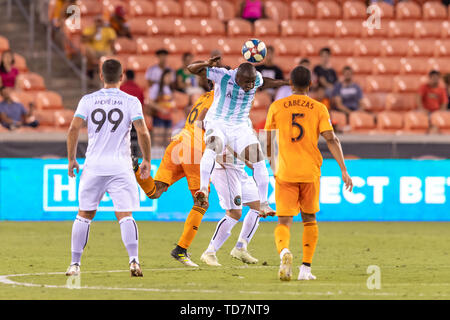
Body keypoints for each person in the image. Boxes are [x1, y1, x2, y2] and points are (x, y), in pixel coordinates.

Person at [264, 66, 353, 281]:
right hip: (310, 171)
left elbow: (268, 142)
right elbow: (331, 138)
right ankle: (305, 269)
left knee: (283, 222)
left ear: (290, 84)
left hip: (284, 171)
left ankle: (284, 252)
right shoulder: (319, 108)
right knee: (310, 219)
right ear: (310, 84)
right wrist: (343, 169)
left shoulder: (276, 107)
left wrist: (272, 166)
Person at [65, 59, 152, 277]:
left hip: (93, 165)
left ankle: (75, 264)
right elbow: (142, 132)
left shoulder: (88, 100)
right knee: (125, 215)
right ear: (122, 77)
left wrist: (71, 158)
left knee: (84, 214)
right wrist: (147, 160)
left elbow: (73, 128)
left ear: (101, 76)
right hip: (120, 167)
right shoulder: (131, 101)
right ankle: (134, 261)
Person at [187, 57, 289, 218]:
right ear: (237, 78)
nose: (250, 85)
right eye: (246, 82)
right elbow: (191, 69)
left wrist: (285, 83)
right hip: (218, 121)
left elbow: (265, 82)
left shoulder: (256, 80)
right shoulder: (223, 75)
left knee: (259, 160)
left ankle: (263, 203)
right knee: (214, 147)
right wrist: (207, 63)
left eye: (252, 82)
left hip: (239, 126)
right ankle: (203, 190)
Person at [134, 90, 215, 267]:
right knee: (201, 203)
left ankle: (135, 169)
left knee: (155, 191)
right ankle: (181, 249)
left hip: (179, 140)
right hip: (195, 147)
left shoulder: (204, 96)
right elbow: (203, 121)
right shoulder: (223, 97)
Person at [200, 149, 263, 266]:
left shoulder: (245, 130)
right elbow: (223, 149)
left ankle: (240, 248)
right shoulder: (223, 131)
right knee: (234, 213)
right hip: (225, 170)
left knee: (257, 205)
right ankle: (209, 252)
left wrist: (253, 163)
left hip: (239, 169)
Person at [120, 69, 145, 156]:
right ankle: (134, 156)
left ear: (125, 76)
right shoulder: (139, 89)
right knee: (135, 139)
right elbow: (142, 105)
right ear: (134, 77)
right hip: (135, 119)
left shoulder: (121, 88)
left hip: (122, 119)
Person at [148, 69, 176, 146]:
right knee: (158, 140)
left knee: (168, 141)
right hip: (159, 116)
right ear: (163, 76)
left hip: (168, 116)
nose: (169, 78)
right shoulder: (156, 87)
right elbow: (150, 102)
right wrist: (161, 109)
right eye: (168, 76)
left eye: (171, 76)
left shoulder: (170, 88)